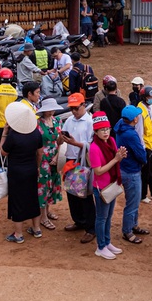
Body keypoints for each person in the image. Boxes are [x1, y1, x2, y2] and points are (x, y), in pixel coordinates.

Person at [89, 113, 127, 260]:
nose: (106, 132)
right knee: (101, 217)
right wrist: (116, 159)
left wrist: (120, 156)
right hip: (101, 188)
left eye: (107, 129)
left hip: (111, 185)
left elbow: (115, 161)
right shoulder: (94, 148)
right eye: (102, 130)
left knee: (109, 216)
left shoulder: (111, 141)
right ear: (96, 132)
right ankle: (100, 246)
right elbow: (98, 171)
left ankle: (107, 242)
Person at [59, 93, 96, 244]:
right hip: (70, 160)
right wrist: (61, 138)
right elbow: (62, 137)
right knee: (72, 193)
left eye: (76, 108)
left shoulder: (90, 121)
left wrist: (74, 143)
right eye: (72, 108)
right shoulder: (69, 120)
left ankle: (91, 228)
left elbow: (91, 146)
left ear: (83, 105)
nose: (74, 111)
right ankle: (79, 221)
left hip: (83, 162)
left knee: (85, 195)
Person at [2, 111, 44, 244]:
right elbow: (40, 152)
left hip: (16, 172)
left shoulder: (13, 136)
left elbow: (3, 152)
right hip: (31, 170)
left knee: (17, 200)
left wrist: (4, 133)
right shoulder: (36, 133)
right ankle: (36, 229)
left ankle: (18, 234)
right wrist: (37, 167)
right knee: (33, 198)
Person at [115, 105, 149, 244]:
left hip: (123, 168)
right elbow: (141, 154)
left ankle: (133, 225)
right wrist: (145, 159)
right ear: (134, 119)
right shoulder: (131, 134)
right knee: (132, 203)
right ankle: (127, 231)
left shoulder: (120, 126)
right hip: (131, 171)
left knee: (133, 201)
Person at [36, 98, 65, 231]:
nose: (52, 111)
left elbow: (60, 141)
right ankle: (43, 217)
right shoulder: (37, 124)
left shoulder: (57, 121)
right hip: (43, 159)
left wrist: (57, 155)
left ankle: (47, 211)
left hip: (55, 157)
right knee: (43, 187)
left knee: (52, 185)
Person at [137, 87, 152, 203]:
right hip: (145, 146)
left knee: (151, 170)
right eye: (150, 97)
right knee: (145, 172)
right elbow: (139, 132)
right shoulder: (140, 111)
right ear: (144, 97)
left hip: (150, 144)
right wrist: (143, 148)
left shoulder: (148, 107)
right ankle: (142, 195)